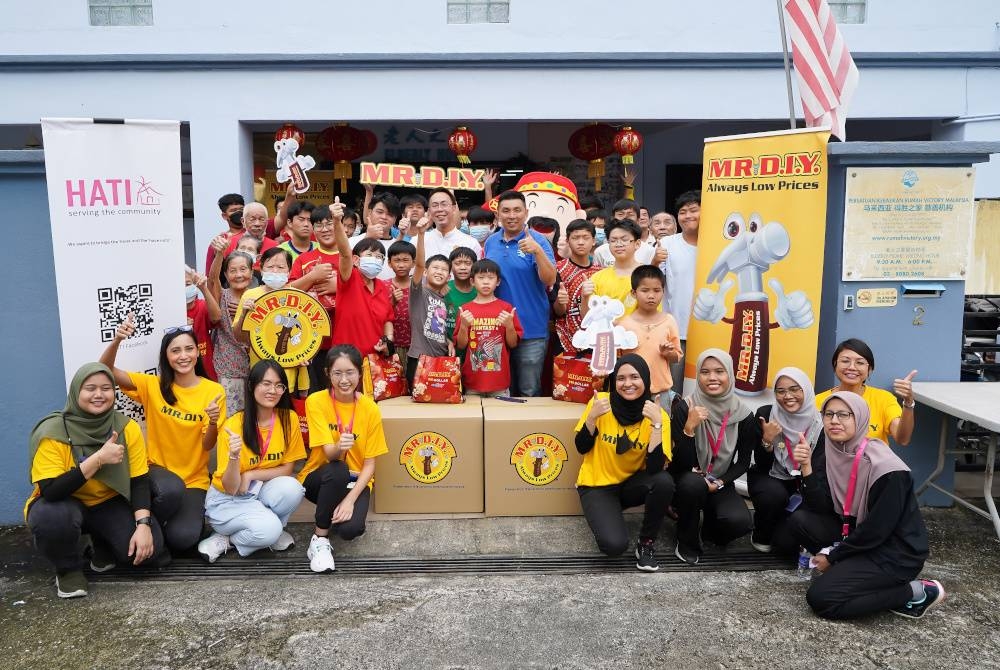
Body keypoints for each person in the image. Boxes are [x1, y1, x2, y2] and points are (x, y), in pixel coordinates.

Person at [787, 391, 944, 620]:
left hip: (893, 552)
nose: (834, 420)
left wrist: (833, 557)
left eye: (843, 414)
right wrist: (807, 467)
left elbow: (877, 530)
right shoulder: (834, 452)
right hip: (855, 535)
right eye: (828, 414)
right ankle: (855, 574)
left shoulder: (887, 469)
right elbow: (820, 507)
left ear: (860, 418)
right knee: (800, 521)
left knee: (822, 599)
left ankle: (915, 591)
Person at [26, 363, 169, 598]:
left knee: (147, 555)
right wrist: (98, 460)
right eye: (90, 388)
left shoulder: (125, 427)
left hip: (109, 501)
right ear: (75, 393)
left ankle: (102, 543)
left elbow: (139, 480)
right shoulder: (53, 432)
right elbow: (51, 490)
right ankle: (68, 569)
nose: (99, 395)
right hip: (65, 503)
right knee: (49, 517)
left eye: (106, 388)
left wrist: (143, 526)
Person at [100, 318, 226, 554]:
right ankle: (147, 529)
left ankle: (164, 529)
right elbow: (105, 370)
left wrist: (212, 422)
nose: (183, 356)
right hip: (157, 474)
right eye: (175, 350)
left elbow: (208, 445)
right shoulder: (153, 385)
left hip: (194, 481)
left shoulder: (213, 391)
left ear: (197, 352)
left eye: (189, 349)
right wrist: (117, 339)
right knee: (170, 490)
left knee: (182, 539)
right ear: (166, 356)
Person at [198, 360, 306, 562]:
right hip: (227, 500)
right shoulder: (234, 425)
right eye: (265, 383)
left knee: (293, 488)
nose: (272, 390)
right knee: (270, 530)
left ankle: (240, 538)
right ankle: (229, 537)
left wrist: (251, 474)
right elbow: (230, 487)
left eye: (278, 385)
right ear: (251, 386)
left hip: (257, 491)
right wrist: (234, 457)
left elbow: (288, 468)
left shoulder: (288, 418)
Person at [574, 354, 674, 571]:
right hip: (597, 486)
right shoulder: (600, 402)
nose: (627, 384)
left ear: (646, 380)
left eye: (635, 377)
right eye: (621, 378)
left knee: (664, 482)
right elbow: (581, 447)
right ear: (614, 381)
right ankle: (606, 512)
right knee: (614, 546)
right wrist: (591, 418)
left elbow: (656, 468)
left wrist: (656, 425)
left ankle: (646, 544)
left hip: (629, 485)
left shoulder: (657, 415)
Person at [299, 346, 389, 573]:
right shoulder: (316, 401)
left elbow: (370, 465)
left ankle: (336, 508)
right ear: (327, 373)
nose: (344, 380)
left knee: (351, 530)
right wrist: (339, 447)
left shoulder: (370, 408)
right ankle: (319, 539)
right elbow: (330, 454)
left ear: (360, 374)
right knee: (338, 468)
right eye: (337, 373)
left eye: (350, 372)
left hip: (355, 480)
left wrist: (349, 500)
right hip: (319, 477)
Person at [669, 349, 755, 565]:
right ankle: (686, 540)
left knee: (739, 522)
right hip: (687, 480)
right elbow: (678, 462)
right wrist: (689, 428)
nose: (712, 378)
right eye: (705, 372)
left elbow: (743, 462)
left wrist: (720, 481)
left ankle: (708, 531)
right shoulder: (685, 407)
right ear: (698, 376)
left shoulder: (744, 414)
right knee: (691, 484)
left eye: (719, 371)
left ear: (730, 375)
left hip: (719, 482)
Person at [484, 190, 557, 397]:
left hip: (530, 329)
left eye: (517, 210)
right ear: (498, 215)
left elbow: (549, 279)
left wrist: (538, 252)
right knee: (500, 390)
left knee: (528, 390)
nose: (511, 215)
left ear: (526, 212)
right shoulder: (491, 242)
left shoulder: (538, 241)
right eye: (506, 211)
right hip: (496, 329)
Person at [747, 367, 825, 554]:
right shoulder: (765, 414)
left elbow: (820, 469)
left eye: (794, 389)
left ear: (805, 390)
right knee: (773, 495)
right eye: (780, 391)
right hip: (770, 477)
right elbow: (761, 463)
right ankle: (761, 533)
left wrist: (805, 463)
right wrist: (767, 440)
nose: (787, 396)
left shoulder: (821, 423)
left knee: (786, 546)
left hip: (805, 481)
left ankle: (785, 526)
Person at [232, 247, 311, 396]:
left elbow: (308, 336)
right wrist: (244, 315)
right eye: (270, 267)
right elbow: (239, 337)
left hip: (290, 375)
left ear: (289, 271)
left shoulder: (299, 297)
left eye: (281, 267)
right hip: (260, 373)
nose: (275, 271)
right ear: (261, 270)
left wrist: (306, 354)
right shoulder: (250, 295)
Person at [815, 338, 916, 446]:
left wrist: (908, 402)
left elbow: (902, 439)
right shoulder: (818, 401)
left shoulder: (883, 398)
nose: (852, 367)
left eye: (860, 362)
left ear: (870, 369)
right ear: (835, 365)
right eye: (845, 361)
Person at [331, 197, 395, 356]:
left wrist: (388, 341)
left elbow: (387, 319)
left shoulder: (381, 286)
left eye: (379, 257)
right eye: (370, 254)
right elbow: (345, 253)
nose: (375, 259)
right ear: (356, 260)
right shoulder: (349, 278)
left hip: (375, 361)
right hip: (345, 358)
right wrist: (337, 221)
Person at [289, 205, 340, 393]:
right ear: (312, 229)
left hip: (343, 338)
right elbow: (288, 293)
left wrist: (338, 288)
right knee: (314, 396)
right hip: (311, 344)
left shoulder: (351, 257)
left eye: (329, 224)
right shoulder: (303, 260)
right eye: (319, 225)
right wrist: (312, 276)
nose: (325, 229)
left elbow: (365, 296)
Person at [455, 259, 523, 397]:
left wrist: (509, 326)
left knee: (500, 418)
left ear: (498, 282)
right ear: (472, 281)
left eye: (491, 278)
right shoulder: (465, 309)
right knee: (473, 417)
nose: (486, 282)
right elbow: (461, 346)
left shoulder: (506, 308)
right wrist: (463, 326)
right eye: (481, 278)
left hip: (499, 381)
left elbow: (513, 343)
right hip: (473, 381)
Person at [618, 265, 682, 408]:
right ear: (634, 293)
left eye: (657, 290)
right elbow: (618, 360)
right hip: (631, 392)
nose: (651, 295)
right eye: (645, 290)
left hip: (661, 393)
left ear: (663, 292)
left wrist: (668, 353)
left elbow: (677, 357)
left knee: (661, 428)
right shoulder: (623, 325)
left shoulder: (669, 321)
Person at [406, 215, 455, 386]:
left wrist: (448, 341)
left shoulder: (442, 299)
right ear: (426, 272)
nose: (439, 271)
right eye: (435, 267)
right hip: (419, 358)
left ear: (449, 277)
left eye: (444, 270)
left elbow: (437, 327)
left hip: (441, 358)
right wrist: (420, 234)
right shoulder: (418, 291)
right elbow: (419, 265)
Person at [660, 190, 700, 394]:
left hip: (709, 330)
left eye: (694, 210)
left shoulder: (717, 243)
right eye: (683, 212)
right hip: (676, 329)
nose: (687, 216)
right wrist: (654, 260)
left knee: (702, 389)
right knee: (672, 388)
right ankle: (670, 426)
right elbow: (656, 281)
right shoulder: (668, 244)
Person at [207, 244, 253, 412]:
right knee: (231, 418)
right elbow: (212, 279)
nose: (239, 275)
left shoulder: (259, 296)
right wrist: (220, 253)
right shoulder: (222, 296)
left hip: (256, 368)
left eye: (243, 269)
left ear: (252, 272)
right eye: (233, 271)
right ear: (225, 274)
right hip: (228, 369)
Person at [583, 219, 649, 319]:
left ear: (637, 243)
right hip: (605, 334)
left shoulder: (648, 276)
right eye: (613, 240)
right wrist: (585, 297)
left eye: (624, 239)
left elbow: (652, 315)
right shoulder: (597, 278)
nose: (618, 244)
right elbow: (586, 318)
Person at [553, 219, 599, 355]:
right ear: (567, 241)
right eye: (575, 238)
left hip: (596, 339)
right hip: (565, 339)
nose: (580, 242)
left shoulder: (601, 272)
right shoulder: (558, 269)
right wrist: (560, 302)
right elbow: (558, 312)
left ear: (594, 241)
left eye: (585, 238)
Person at [422, 187, 483, 260]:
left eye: (444, 204)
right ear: (429, 211)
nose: (440, 209)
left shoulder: (471, 243)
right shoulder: (418, 240)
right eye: (435, 205)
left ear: (454, 208)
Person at [387, 240, 416, 364]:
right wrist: (392, 302)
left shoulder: (419, 287)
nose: (401, 265)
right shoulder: (384, 286)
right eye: (397, 260)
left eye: (405, 260)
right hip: (391, 346)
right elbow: (379, 316)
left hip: (416, 346)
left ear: (413, 263)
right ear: (389, 263)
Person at [204, 193, 244, 273]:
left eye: (241, 209)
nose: (239, 213)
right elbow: (210, 275)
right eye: (233, 210)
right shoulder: (219, 242)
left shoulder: (256, 231)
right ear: (224, 216)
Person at [446, 246, 478, 339]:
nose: (463, 267)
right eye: (458, 263)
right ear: (451, 267)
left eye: (468, 263)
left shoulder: (481, 290)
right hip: (447, 347)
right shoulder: (444, 288)